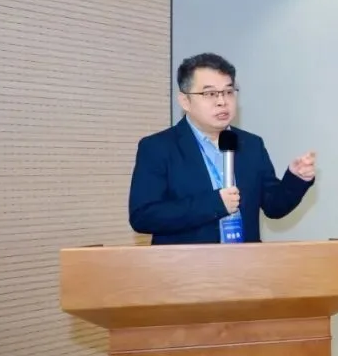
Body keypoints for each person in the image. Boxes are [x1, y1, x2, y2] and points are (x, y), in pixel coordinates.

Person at [128, 53, 316, 244]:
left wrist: (296, 179)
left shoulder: (251, 144)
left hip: (246, 260)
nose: (222, 101)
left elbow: (274, 207)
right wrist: (215, 204)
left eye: (228, 92)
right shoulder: (158, 148)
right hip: (187, 262)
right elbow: (143, 216)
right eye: (210, 94)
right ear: (185, 101)